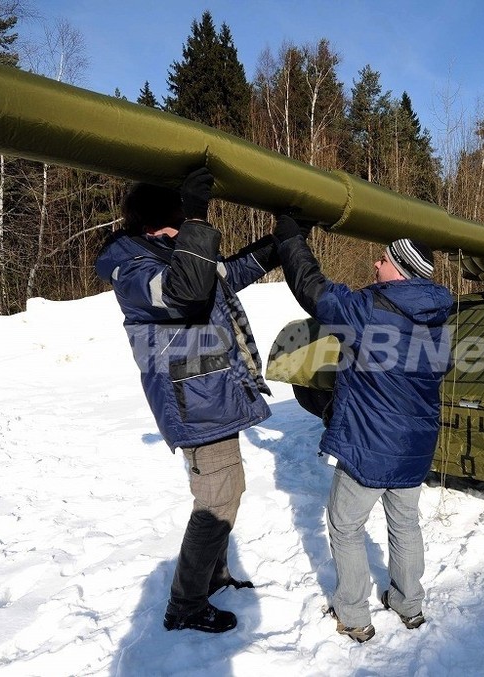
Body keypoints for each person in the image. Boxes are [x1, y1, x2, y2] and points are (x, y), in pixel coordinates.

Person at [95, 167, 278, 634]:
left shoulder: (167, 252)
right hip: (194, 404)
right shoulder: (133, 268)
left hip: (213, 396)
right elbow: (186, 292)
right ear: (157, 223)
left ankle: (213, 575)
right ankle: (186, 604)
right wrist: (197, 219)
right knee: (216, 501)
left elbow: (226, 274)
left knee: (229, 492)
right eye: (179, 220)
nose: (184, 230)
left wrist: (279, 242)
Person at [272, 214, 454, 643]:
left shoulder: (369, 310)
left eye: (384, 259)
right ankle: (408, 604)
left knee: (345, 525)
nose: (376, 263)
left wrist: (291, 238)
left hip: (369, 445)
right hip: (415, 445)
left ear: (401, 270)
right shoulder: (438, 318)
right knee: (405, 524)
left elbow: (313, 289)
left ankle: (353, 614)